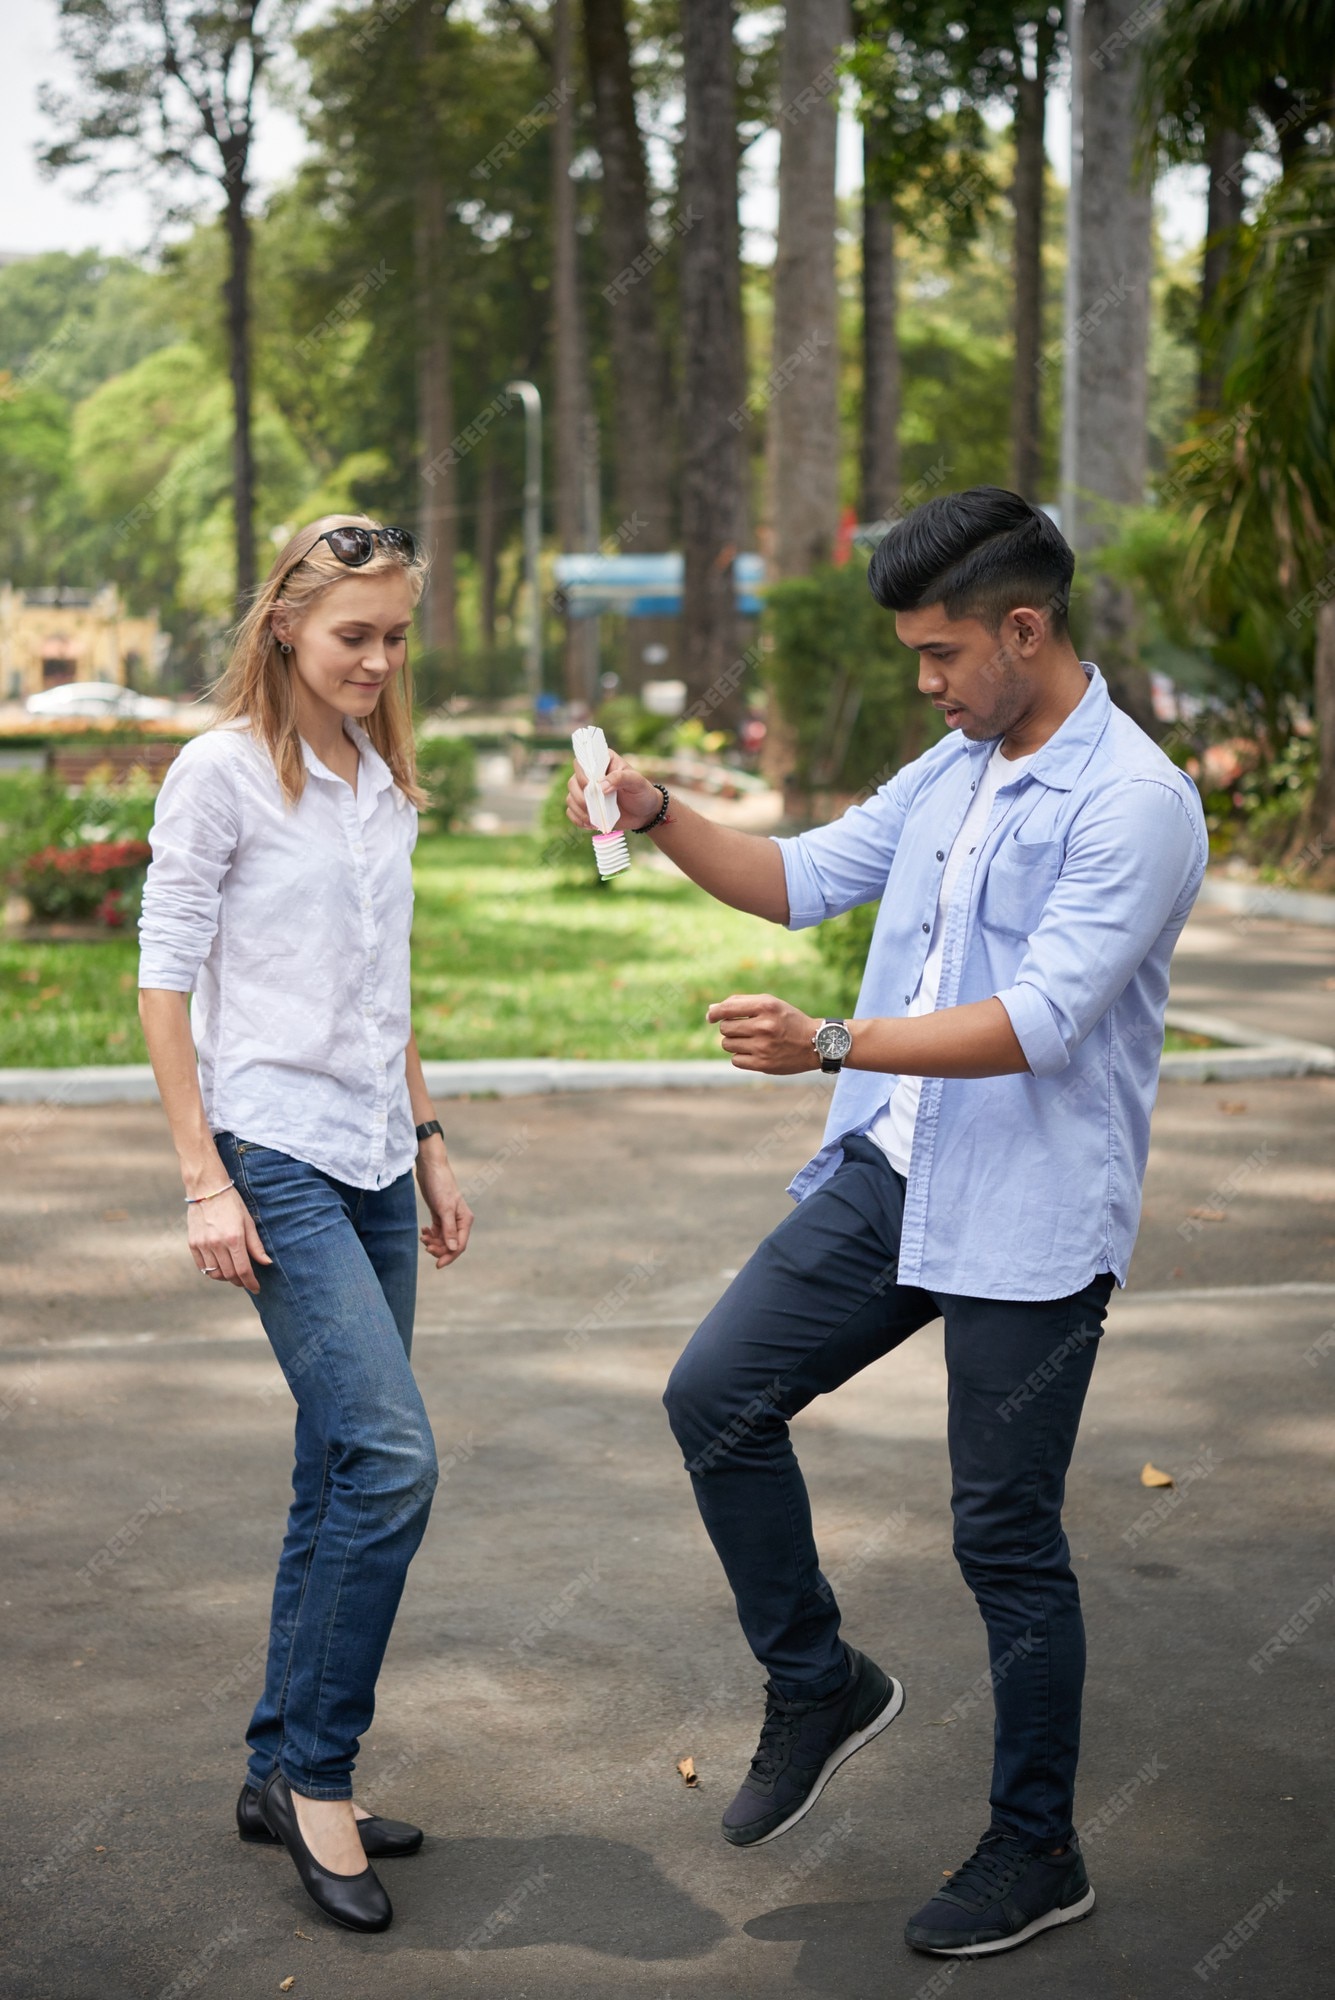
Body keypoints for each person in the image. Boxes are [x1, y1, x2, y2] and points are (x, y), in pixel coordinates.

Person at [565, 488, 1206, 1959]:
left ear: (1025, 630)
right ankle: (818, 1679)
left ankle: (1036, 1849)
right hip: (893, 1174)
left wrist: (833, 1043)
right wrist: (658, 815)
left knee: (1004, 1537)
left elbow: (1045, 1020)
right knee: (717, 1394)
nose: (925, 680)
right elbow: (799, 880)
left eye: (939, 653)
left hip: (1032, 1212)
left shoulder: (1136, 802)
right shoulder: (957, 764)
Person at [138, 516, 474, 1935]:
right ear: (285, 625)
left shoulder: (381, 780)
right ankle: (322, 1780)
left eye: (396, 637)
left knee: (338, 1467)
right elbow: (163, 987)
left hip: (375, 1157)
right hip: (270, 1152)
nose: (378, 661)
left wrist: (431, 1136)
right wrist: (202, 1177)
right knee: (394, 1460)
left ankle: (278, 1765)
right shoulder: (220, 776)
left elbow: (381, 987)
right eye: (355, 637)